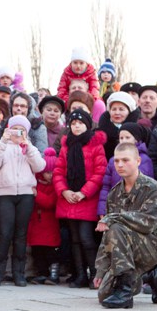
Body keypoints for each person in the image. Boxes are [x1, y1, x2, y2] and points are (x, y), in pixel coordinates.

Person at [94, 142, 157, 308]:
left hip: (152, 246)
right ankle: (152, 274)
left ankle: (126, 291)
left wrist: (114, 217)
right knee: (104, 295)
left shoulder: (154, 188)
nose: (120, 165)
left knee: (116, 227)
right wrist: (101, 269)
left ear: (137, 161)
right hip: (125, 248)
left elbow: (148, 223)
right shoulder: (114, 193)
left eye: (125, 160)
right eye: (116, 161)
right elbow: (108, 236)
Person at [0, 115, 45, 287]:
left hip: (26, 194)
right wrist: (2, 141)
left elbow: (40, 167)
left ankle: (19, 273)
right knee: (4, 233)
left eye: (21, 129)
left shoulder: (29, 147)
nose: (17, 133)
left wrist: (28, 148)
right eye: (14, 129)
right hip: (5, 194)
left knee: (21, 234)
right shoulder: (3, 146)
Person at [53, 109, 107, 288]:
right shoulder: (66, 145)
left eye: (80, 123)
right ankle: (80, 275)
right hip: (69, 199)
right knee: (74, 239)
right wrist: (64, 191)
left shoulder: (95, 145)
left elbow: (100, 172)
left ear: (88, 125)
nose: (76, 126)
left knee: (86, 238)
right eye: (73, 123)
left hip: (87, 199)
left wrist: (84, 192)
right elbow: (59, 171)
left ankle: (95, 275)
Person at [98, 122, 154, 218]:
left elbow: (147, 187)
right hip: (114, 208)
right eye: (121, 138)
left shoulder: (144, 160)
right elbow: (106, 187)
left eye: (127, 137)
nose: (124, 140)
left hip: (136, 211)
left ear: (136, 139)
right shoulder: (112, 160)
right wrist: (103, 210)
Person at [27, 148, 61, 285]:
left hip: (50, 223)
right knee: (38, 250)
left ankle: (53, 273)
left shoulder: (55, 186)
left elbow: (50, 202)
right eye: (47, 172)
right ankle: (41, 273)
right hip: (36, 223)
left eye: (53, 172)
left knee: (51, 251)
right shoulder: (35, 183)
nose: (51, 175)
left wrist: (37, 195)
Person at [97, 91, 139, 160]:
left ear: (129, 111)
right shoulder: (101, 131)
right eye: (114, 109)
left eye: (121, 109)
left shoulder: (137, 130)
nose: (117, 112)